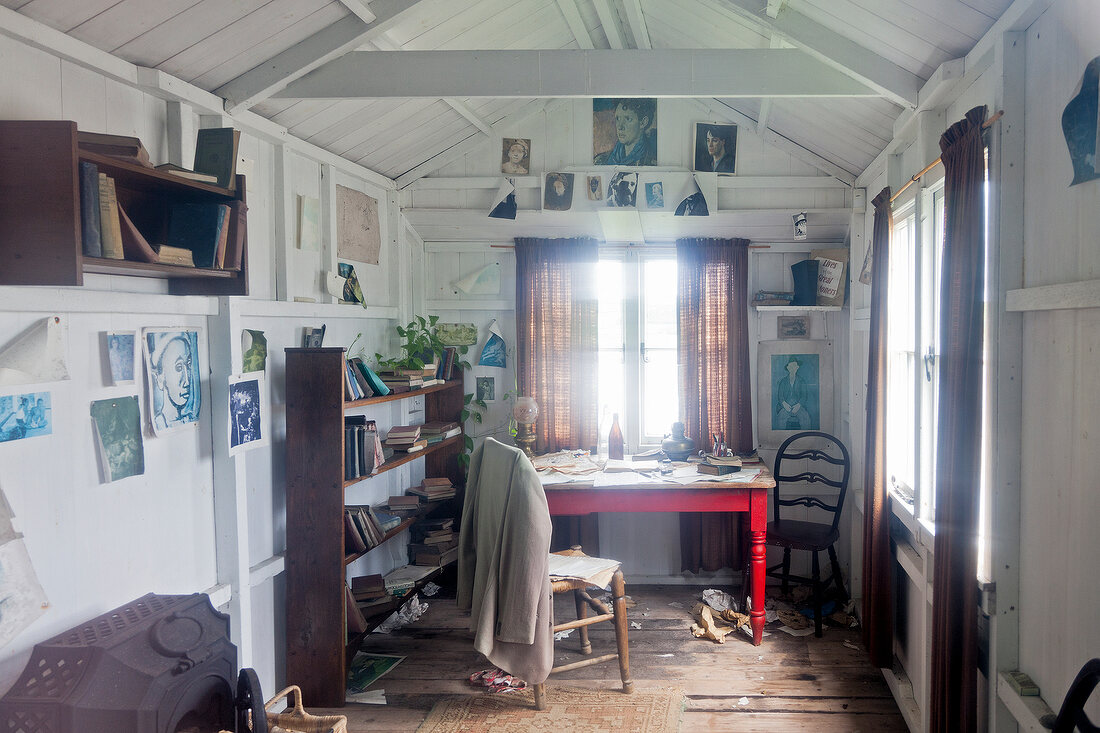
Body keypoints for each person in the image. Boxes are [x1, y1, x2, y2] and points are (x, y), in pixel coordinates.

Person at [151, 334, 196, 430]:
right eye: (178, 367)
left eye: (188, 364)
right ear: (160, 378)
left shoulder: (190, 419)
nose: (187, 382)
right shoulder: (158, 425)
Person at [594, 99, 657, 166]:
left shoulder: (652, 162)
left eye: (628, 119)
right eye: (618, 119)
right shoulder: (601, 161)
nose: (620, 127)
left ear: (643, 123)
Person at [775, 356, 812, 430]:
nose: (792, 368)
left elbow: (804, 396)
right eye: (791, 366)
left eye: (794, 366)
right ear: (788, 368)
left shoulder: (801, 381)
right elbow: (780, 396)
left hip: (798, 406)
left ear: (797, 367)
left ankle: (806, 439)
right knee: (780, 419)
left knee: (806, 419)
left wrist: (798, 405)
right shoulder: (783, 381)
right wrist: (785, 405)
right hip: (785, 407)